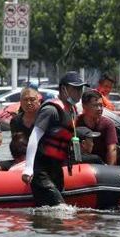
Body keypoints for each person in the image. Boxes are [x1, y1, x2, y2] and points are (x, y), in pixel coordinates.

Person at [21, 71, 88, 207]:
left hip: (56, 168)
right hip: (41, 169)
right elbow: (35, 136)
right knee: (61, 210)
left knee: (52, 212)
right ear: (63, 89)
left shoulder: (72, 110)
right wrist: (28, 168)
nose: (79, 92)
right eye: (75, 88)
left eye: (81, 88)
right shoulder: (51, 110)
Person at [76, 90, 119, 165]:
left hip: (101, 167)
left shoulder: (108, 124)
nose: (99, 109)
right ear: (84, 106)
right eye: (95, 105)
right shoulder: (76, 122)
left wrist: (111, 171)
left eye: (101, 105)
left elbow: (112, 149)